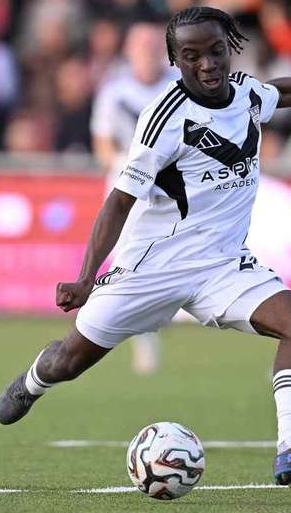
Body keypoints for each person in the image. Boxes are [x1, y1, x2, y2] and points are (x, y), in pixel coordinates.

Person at [0, 6, 291, 486]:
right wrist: (85, 278)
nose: (207, 64)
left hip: (222, 266)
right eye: (192, 55)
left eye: (216, 50)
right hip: (152, 268)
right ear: (174, 60)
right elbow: (118, 203)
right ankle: (34, 381)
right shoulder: (163, 118)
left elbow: (277, 92)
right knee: (68, 361)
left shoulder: (244, 92)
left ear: (230, 48)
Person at [90, 22, 179, 375]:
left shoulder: (177, 87)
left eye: (152, 46)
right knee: (126, 260)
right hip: (126, 187)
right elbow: (102, 143)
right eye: (140, 45)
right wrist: (127, 167)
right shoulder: (115, 92)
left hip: (172, 187)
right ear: (128, 51)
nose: (147, 52)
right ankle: (134, 336)